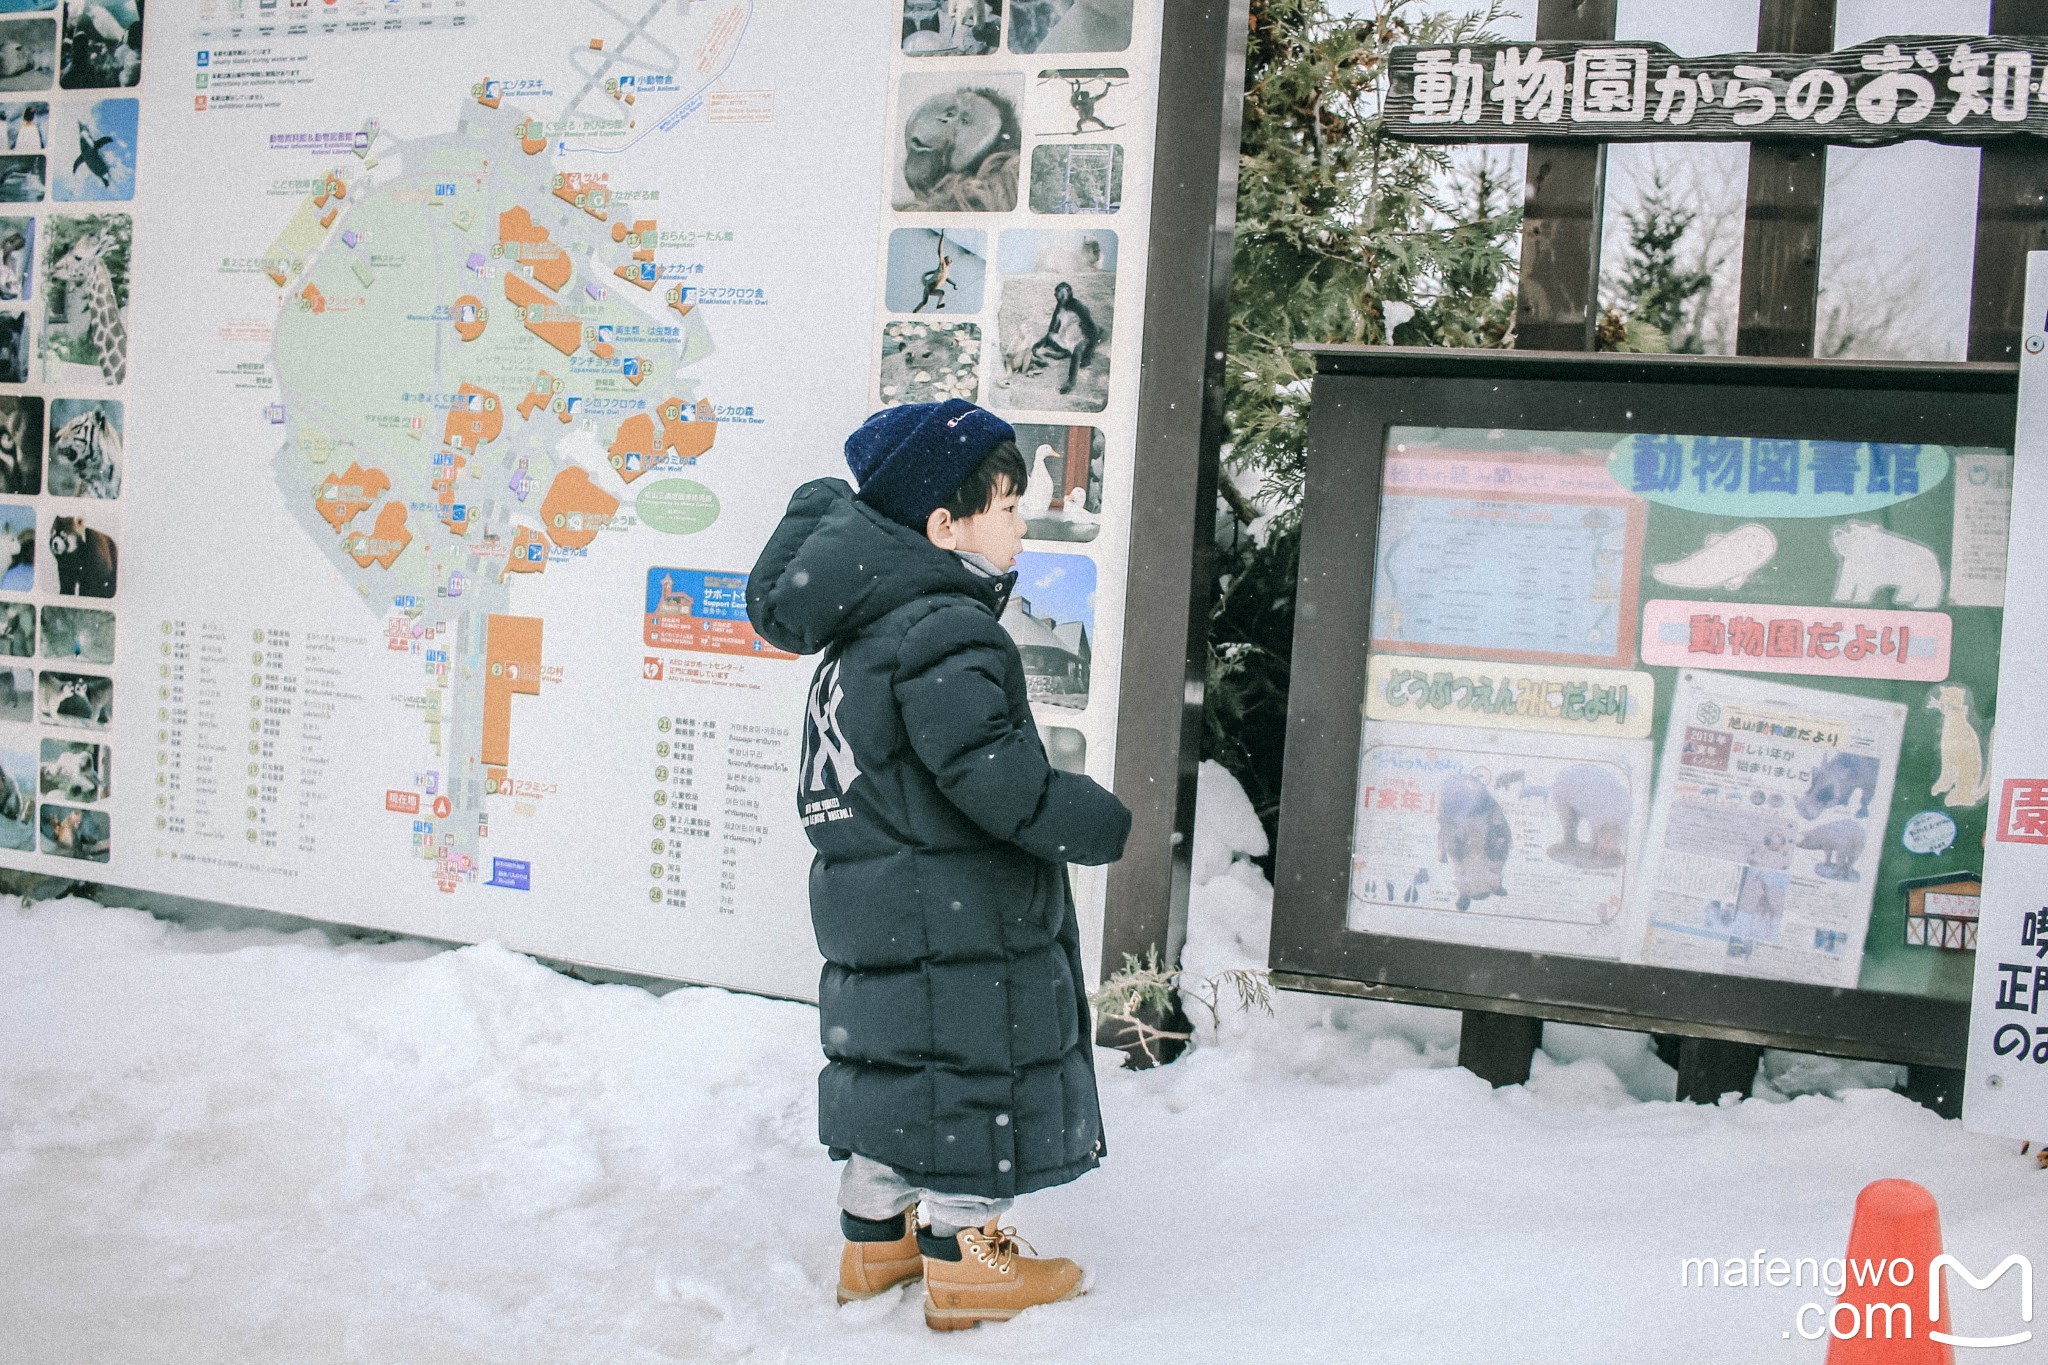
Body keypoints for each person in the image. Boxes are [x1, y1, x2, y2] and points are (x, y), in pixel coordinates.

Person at [747, 399, 1131, 1332]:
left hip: (880, 900)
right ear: (942, 526)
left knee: (900, 1066)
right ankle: (969, 1259)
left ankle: (875, 1243)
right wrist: (1096, 820)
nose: (1021, 525)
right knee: (968, 1071)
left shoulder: (858, 637)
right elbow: (992, 776)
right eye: (1005, 507)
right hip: (958, 905)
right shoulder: (943, 628)